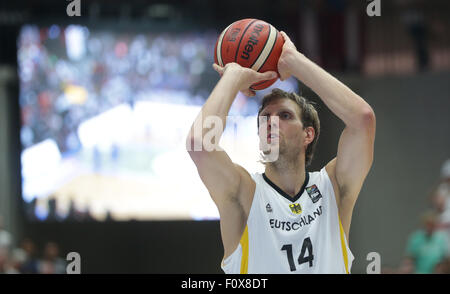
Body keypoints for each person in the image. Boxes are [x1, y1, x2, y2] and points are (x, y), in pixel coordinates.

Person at [186, 31, 376, 273]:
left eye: (284, 116)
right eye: (265, 118)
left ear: (308, 134)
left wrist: (295, 62)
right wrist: (233, 76)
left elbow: (363, 119)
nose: (271, 122)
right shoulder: (243, 192)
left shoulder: (333, 186)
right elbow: (199, 144)